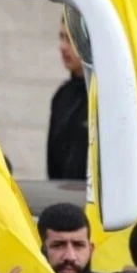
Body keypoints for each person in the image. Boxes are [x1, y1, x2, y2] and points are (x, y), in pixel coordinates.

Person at [47, 21, 88, 181]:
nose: (63, 46)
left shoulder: (105, 98)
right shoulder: (62, 96)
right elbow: (53, 165)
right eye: (61, 37)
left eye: (70, 39)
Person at [39, 203, 93, 273]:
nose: (70, 256)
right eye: (58, 245)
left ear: (91, 249)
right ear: (40, 249)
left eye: (78, 245)